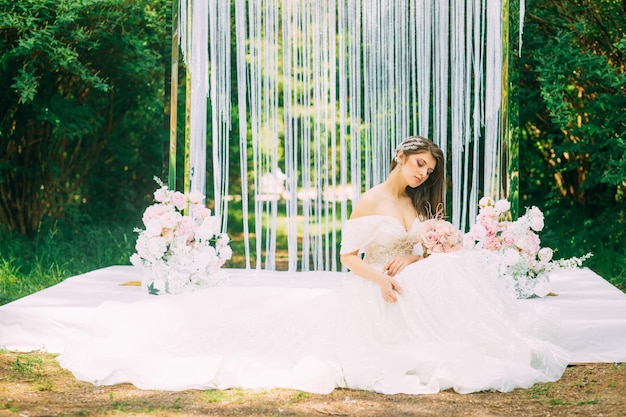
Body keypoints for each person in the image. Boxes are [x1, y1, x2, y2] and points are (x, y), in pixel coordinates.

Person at [57, 136, 570, 395]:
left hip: (406, 280)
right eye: (419, 165)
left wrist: (419, 254)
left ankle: (473, 332)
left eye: (430, 171)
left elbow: (411, 249)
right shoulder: (370, 202)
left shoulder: (416, 206)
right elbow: (348, 258)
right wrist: (383, 281)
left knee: (455, 267)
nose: (422, 175)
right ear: (401, 157)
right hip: (373, 289)